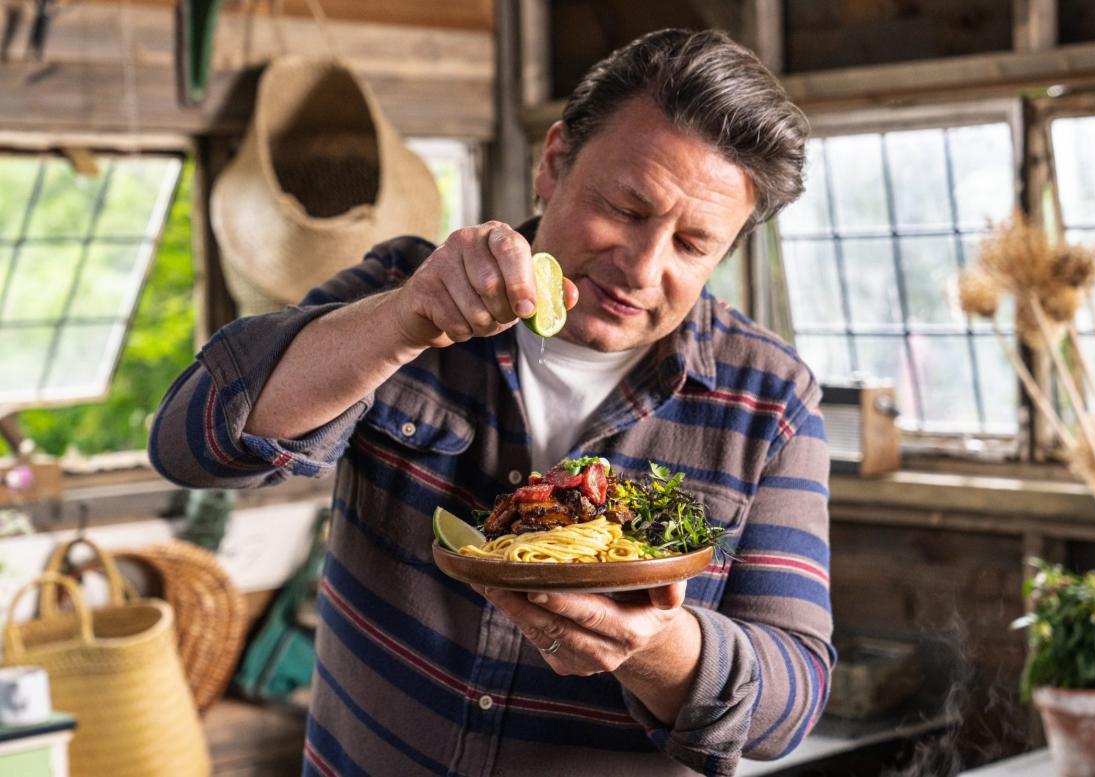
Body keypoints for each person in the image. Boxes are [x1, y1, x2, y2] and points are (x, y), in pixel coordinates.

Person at [150, 28, 833, 777]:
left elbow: (792, 698)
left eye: (693, 244)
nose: (642, 267)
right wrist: (402, 321)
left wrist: (653, 646)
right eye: (626, 207)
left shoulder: (770, 398)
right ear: (554, 162)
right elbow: (190, 442)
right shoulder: (407, 286)